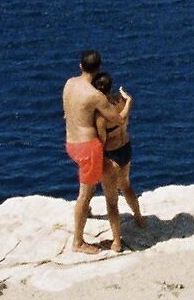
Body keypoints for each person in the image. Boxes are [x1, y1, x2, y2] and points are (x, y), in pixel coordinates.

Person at [61, 50, 127, 253]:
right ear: (98, 68)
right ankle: (78, 242)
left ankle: (86, 213)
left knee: (88, 186)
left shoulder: (70, 83)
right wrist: (126, 103)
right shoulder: (95, 96)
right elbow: (115, 119)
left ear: (80, 66)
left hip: (71, 143)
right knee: (85, 194)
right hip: (88, 148)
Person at [92, 70, 145, 230]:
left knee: (111, 199)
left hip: (111, 154)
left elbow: (101, 141)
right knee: (126, 185)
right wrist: (129, 100)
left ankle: (116, 240)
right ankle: (139, 218)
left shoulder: (101, 113)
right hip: (125, 149)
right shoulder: (122, 100)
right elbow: (123, 117)